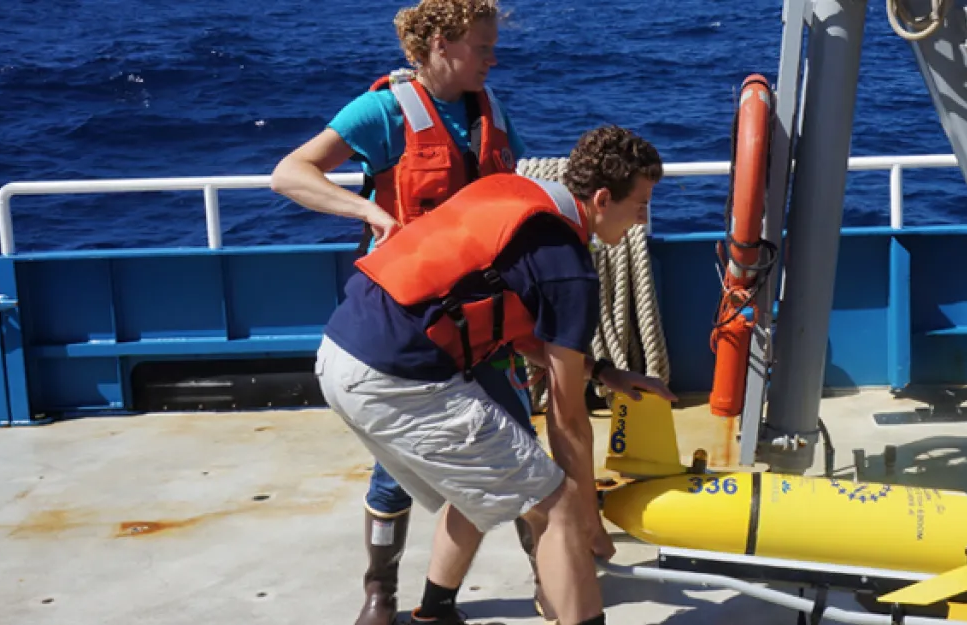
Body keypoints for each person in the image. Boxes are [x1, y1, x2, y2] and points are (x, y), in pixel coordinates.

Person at [315, 124, 675, 625]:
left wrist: (607, 374)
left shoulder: (512, 192)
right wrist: (588, 518)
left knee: (492, 477)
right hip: (399, 377)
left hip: (339, 353)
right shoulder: (570, 269)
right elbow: (568, 419)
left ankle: (435, 613)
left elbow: (514, 325)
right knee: (554, 504)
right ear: (600, 198)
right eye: (639, 204)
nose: (642, 218)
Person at [267, 1, 541, 623]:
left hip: (483, 317)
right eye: (481, 47)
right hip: (407, 322)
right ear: (440, 44)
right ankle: (380, 592)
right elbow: (289, 173)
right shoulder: (384, 110)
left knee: (522, 447)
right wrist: (369, 212)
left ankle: (549, 577)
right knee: (395, 468)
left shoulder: (491, 111)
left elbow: (511, 195)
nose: (493, 59)